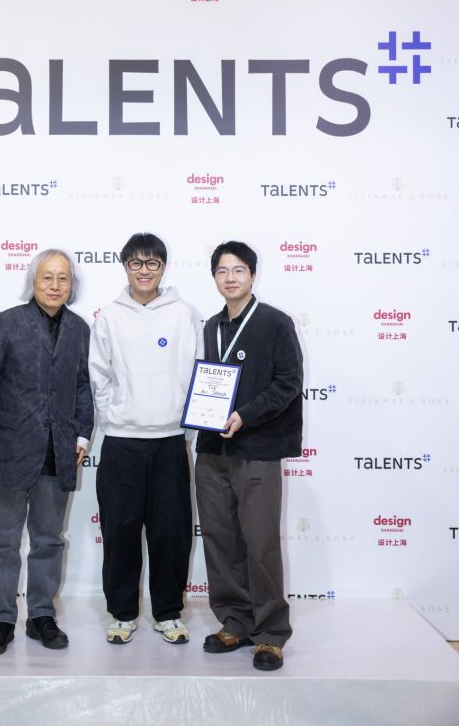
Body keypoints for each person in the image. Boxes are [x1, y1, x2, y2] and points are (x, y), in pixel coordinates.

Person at [0, 249, 93, 656]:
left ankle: (41, 616)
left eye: (63, 278)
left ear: (72, 285)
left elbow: (82, 386)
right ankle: (1, 621)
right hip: (7, 452)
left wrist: (82, 436)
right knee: (3, 542)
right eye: (47, 277)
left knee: (49, 541)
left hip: (58, 452)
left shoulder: (79, 329)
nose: (55, 285)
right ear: (33, 282)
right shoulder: (4, 324)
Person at [89, 232, 203, 645]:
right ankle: (122, 614)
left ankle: (168, 613)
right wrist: (115, 418)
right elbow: (98, 375)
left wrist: (185, 427)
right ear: (125, 267)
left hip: (170, 441)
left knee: (171, 532)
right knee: (120, 532)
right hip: (121, 442)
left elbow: (198, 372)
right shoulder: (109, 317)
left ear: (163, 267)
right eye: (135, 263)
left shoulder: (185, 315)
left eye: (152, 263)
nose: (144, 270)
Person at [195, 240, 303, 671]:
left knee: (260, 544)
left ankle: (271, 634)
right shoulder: (211, 327)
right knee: (220, 540)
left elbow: (288, 382)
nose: (230, 278)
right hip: (212, 449)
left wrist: (245, 415)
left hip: (258, 447)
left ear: (253, 275)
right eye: (222, 271)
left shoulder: (275, 322)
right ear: (214, 277)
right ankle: (235, 621)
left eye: (239, 270)